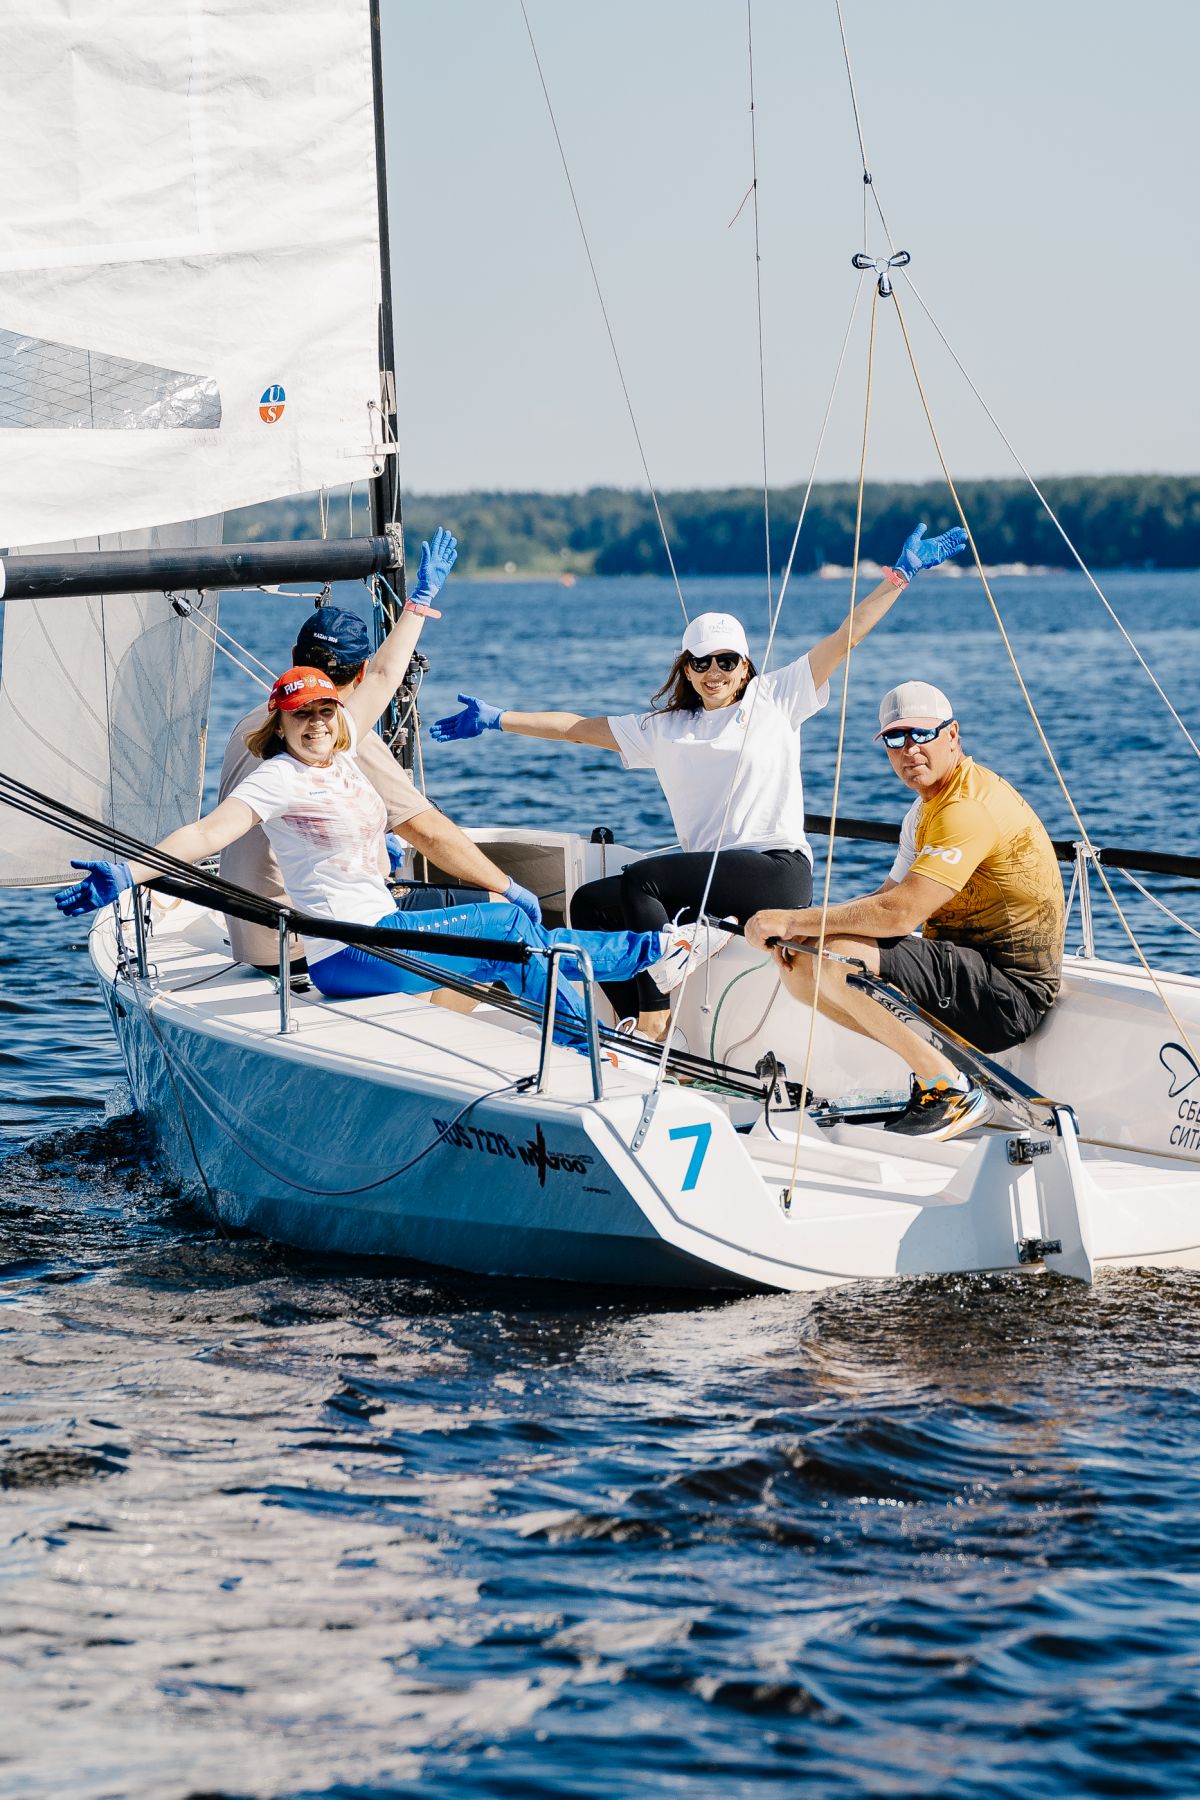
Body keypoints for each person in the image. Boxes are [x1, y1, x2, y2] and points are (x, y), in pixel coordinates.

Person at [54, 547, 725, 1039]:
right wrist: (128, 871)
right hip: (349, 950)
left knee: (514, 941)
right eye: (304, 716)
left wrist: (420, 604)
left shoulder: (341, 732)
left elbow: (381, 674)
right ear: (281, 720)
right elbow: (205, 834)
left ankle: (590, 1046)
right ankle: (649, 954)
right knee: (510, 927)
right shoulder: (280, 774)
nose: (319, 724)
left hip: (371, 937)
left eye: (326, 712)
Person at [431, 522, 969, 1041]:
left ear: (746, 664)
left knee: (644, 882)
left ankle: (656, 1021)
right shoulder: (666, 729)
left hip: (775, 870)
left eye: (727, 660)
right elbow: (577, 728)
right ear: (686, 668)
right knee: (591, 903)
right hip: (711, 884)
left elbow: (845, 637)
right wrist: (498, 719)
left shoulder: (777, 697)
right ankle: (632, 1026)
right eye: (702, 661)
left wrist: (899, 577)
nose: (715, 672)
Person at [744, 679, 1066, 1141]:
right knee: (801, 964)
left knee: (835, 958)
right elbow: (885, 896)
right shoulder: (925, 810)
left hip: (1009, 995)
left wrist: (793, 919)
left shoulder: (966, 809)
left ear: (952, 736)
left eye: (922, 734)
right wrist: (801, 934)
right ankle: (938, 1074)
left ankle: (950, 1090)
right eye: (896, 739)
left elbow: (899, 915)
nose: (909, 749)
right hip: (968, 973)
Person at [219, 585, 541, 978]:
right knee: (496, 915)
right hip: (312, 942)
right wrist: (509, 887)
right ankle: (440, 1014)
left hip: (249, 934)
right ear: (362, 671)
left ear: (293, 658)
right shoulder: (340, 739)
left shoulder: (257, 724)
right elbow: (428, 833)